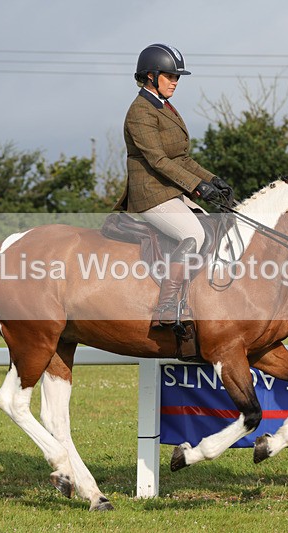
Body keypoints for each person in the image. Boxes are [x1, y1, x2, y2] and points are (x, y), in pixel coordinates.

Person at [114, 43, 234, 328]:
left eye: (177, 76)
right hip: (151, 194)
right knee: (193, 235)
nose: (176, 81)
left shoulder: (164, 106)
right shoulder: (140, 111)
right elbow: (158, 160)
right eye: (170, 76)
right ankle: (166, 307)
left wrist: (212, 179)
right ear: (151, 76)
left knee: (215, 228)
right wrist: (197, 187)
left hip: (169, 191)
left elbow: (181, 158)